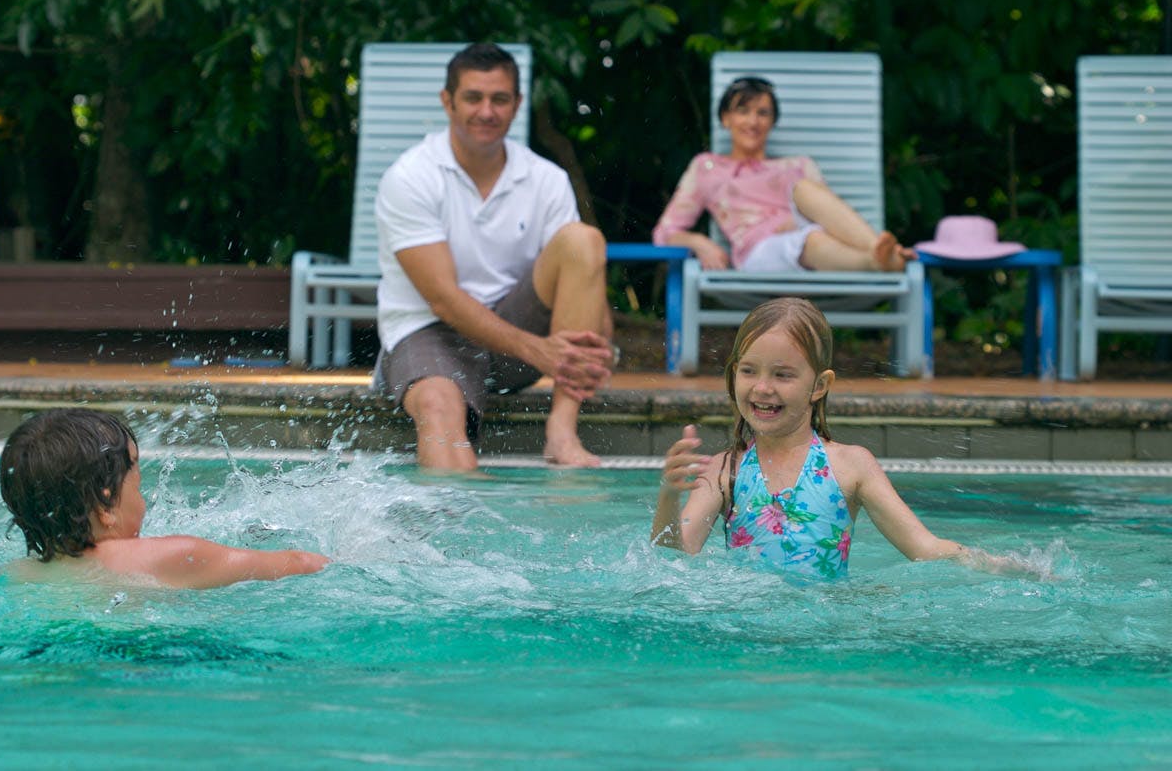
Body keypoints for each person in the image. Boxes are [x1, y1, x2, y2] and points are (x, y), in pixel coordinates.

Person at [375, 41, 614, 472]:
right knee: (437, 407)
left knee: (583, 239)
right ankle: (460, 531)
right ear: (447, 101)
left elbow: (579, 276)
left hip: (515, 336)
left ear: (517, 104)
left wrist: (596, 349)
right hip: (431, 332)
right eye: (473, 97)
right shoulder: (410, 177)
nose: (487, 111)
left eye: (499, 99)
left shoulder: (546, 179)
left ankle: (562, 430)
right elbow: (443, 300)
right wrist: (541, 351)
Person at [650, 297, 1013, 579]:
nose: (762, 388)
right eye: (748, 371)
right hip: (745, 625)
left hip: (823, 624)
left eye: (783, 375)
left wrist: (1005, 567)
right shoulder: (722, 470)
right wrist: (668, 494)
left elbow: (924, 547)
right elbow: (675, 560)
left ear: (819, 385)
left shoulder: (851, 466)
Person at [0, 408, 330, 589]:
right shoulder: (171, 556)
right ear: (105, 506)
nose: (143, 500)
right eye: (137, 486)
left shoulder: (17, 574)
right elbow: (299, 564)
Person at [653, 76, 915, 274]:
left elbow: (832, 220)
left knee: (805, 191)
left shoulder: (797, 165)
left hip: (810, 235)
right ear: (725, 118)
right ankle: (874, 260)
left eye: (762, 113)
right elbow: (665, 232)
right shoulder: (707, 168)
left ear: (772, 122)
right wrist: (700, 243)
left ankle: (878, 248)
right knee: (807, 239)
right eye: (742, 111)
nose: (753, 122)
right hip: (758, 249)